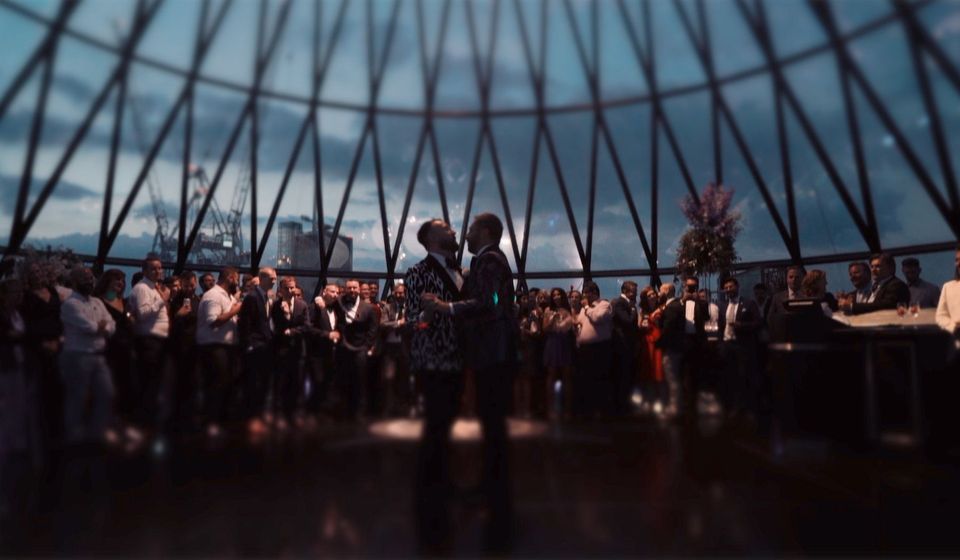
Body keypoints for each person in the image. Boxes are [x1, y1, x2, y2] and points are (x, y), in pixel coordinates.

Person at [421, 212, 518, 553]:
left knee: (492, 423)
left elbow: (490, 303)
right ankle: (492, 487)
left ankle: (491, 489)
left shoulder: (488, 260)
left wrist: (447, 308)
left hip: (492, 352)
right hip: (495, 352)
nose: (466, 234)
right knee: (493, 423)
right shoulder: (490, 260)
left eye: (473, 229)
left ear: (487, 232)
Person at [404, 218, 464, 553]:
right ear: (430, 238)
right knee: (437, 423)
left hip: (455, 359)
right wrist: (428, 317)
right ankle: (431, 488)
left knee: (446, 421)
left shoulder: (460, 271)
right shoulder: (417, 273)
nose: (454, 231)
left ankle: (439, 482)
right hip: (433, 359)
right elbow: (414, 318)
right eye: (447, 229)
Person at [59, 267, 116, 444]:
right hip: (78, 356)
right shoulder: (70, 305)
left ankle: (96, 432)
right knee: (78, 397)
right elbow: (90, 327)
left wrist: (103, 327)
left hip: (98, 356)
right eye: (85, 279)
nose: (89, 282)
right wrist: (101, 327)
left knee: (107, 393)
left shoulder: (98, 302)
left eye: (91, 278)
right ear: (75, 282)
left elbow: (111, 325)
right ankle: (74, 435)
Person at [93, 269, 139, 443]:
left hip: (126, 348)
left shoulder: (120, 300)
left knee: (126, 386)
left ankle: (121, 424)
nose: (120, 283)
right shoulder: (102, 301)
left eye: (122, 280)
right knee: (110, 388)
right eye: (116, 280)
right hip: (110, 349)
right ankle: (106, 426)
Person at [196, 267, 242, 438]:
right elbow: (213, 321)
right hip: (213, 346)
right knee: (216, 385)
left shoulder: (227, 297)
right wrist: (235, 310)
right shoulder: (214, 296)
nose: (237, 282)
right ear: (230, 278)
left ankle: (219, 421)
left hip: (225, 347)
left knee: (223, 385)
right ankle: (210, 423)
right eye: (236, 278)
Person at [127, 256, 171, 433]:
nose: (158, 271)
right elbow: (143, 313)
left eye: (160, 268)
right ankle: (144, 423)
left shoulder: (154, 288)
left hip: (157, 341)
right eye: (154, 269)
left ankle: (150, 421)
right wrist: (163, 299)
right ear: (144, 271)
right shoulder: (142, 288)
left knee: (155, 382)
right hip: (148, 341)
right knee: (149, 382)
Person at [658, 277, 707, 419]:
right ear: (684, 287)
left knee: (695, 374)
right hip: (681, 341)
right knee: (680, 374)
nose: (690, 289)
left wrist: (697, 299)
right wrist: (683, 300)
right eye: (688, 287)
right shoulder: (678, 303)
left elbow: (706, 315)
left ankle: (694, 406)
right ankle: (683, 406)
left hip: (696, 341)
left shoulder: (700, 301)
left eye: (693, 287)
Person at [717, 277, 763, 421]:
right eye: (726, 287)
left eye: (731, 286)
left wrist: (741, 326)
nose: (728, 289)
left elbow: (758, 323)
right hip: (726, 345)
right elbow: (720, 325)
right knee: (728, 377)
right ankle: (732, 408)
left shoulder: (749, 303)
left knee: (743, 377)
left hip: (741, 346)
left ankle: (748, 409)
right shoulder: (722, 305)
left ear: (737, 287)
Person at [239, 267, 277, 434]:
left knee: (263, 382)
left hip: (264, 346)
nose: (274, 281)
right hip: (256, 346)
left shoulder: (265, 297)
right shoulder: (252, 298)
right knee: (254, 383)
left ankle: (259, 415)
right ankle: (252, 417)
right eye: (271, 278)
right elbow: (245, 324)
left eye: (275, 278)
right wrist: (249, 345)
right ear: (261, 278)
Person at [334, 279, 379, 420]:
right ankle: (344, 412)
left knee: (360, 381)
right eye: (349, 288)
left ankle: (358, 412)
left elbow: (373, 329)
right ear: (345, 289)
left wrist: (366, 346)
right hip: (343, 349)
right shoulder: (339, 304)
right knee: (343, 381)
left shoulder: (368, 308)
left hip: (360, 350)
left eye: (354, 288)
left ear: (359, 289)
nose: (352, 290)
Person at [271, 275, 311, 428]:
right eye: (286, 288)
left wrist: (291, 331)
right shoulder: (276, 306)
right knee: (280, 384)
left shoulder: (302, 305)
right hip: (281, 350)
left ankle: (294, 414)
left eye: (292, 288)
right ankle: (279, 414)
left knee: (297, 384)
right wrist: (286, 316)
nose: (290, 291)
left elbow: (307, 326)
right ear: (280, 290)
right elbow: (277, 328)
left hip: (298, 351)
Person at [574, 280, 613, 418]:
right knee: (586, 379)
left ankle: (601, 410)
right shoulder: (585, 309)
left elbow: (598, 318)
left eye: (586, 293)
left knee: (599, 379)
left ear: (595, 293)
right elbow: (579, 322)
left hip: (599, 348)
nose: (584, 296)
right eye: (584, 293)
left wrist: (586, 309)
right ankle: (588, 409)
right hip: (585, 349)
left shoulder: (604, 305)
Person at [306, 284, 341, 418]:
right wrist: (327, 335)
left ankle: (324, 413)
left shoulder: (338, 308)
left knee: (328, 383)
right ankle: (313, 414)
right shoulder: (314, 307)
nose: (335, 295)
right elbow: (308, 329)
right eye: (332, 292)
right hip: (317, 353)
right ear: (324, 292)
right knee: (318, 383)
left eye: (337, 292)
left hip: (332, 353)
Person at [542, 287, 576, 420]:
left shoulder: (569, 310)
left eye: (559, 294)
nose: (556, 297)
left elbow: (573, 326)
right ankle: (551, 409)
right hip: (553, 342)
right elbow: (544, 328)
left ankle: (567, 410)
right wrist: (552, 319)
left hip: (565, 342)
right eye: (554, 295)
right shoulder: (548, 310)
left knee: (567, 376)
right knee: (551, 375)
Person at [839, 253, 910, 315]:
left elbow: (884, 306)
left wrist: (852, 306)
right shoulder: (877, 286)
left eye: (878, 266)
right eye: (872, 267)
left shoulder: (897, 285)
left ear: (890, 268)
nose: (873, 270)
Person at [380, 283, 412, 417]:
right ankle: (389, 407)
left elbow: (413, 324)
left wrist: (402, 324)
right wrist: (399, 323)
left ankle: (403, 407)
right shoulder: (387, 307)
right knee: (389, 378)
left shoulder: (411, 308)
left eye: (401, 293)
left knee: (404, 378)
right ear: (393, 293)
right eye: (397, 293)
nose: (399, 295)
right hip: (390, 347)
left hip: (405, 347)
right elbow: (382, 324)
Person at [610, 281, 640, 417]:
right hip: (623, 344)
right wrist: (633, 309)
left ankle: (624, 405)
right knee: (623, 375)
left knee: (626, 375)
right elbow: (627, 321)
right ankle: (622, 407)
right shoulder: (620, 303)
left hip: (627, 344)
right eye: (634, 290)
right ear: (626, 291)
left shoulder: (621, 303)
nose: (636, 293)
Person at [638, 286, 664, 415]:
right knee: (647, 370)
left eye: (653, 294)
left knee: (659, 370)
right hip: (647, 341)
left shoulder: (662, 308)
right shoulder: (643, 311)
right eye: (649, 295)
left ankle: (660, 400)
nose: (652, 296)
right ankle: (649, 400)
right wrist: (642, 324)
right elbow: (639, 326)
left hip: (658, 340)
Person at [767, 265, 805, 332]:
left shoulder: (806, 296)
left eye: (797, 277)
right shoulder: (777, 297)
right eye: (791, 277)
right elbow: (770, 318)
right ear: (786, 279)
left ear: (802, 279)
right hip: (783, 335)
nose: (794, 279)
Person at [935, 247, 960, 342]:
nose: (958, 264)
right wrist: (954, 327)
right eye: (957, 260)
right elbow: (940, 316)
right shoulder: (948, 287)